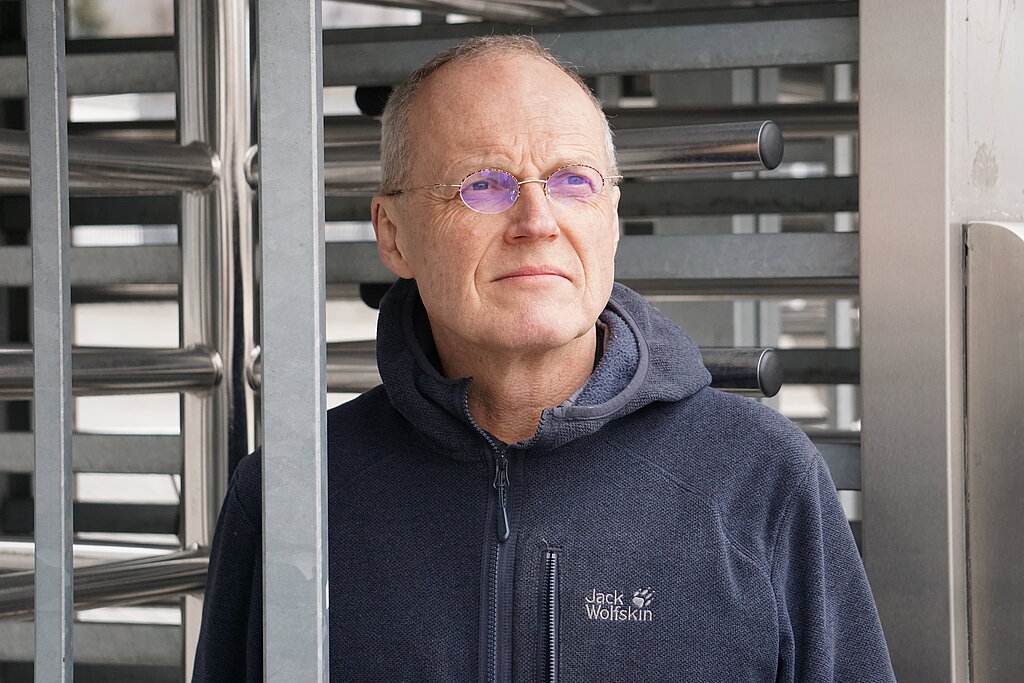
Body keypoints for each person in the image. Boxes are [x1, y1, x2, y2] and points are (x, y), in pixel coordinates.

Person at [192, 35, 895, 682]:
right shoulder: (293, 498)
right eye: (483, 184)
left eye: (573, 182)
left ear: (611, 220)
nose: (537, 223)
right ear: (393, 234)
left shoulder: (763, 478)